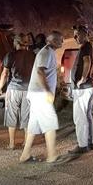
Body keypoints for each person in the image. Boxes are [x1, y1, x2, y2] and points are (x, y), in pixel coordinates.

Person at [19, 30, 63, 164]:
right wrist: (48, 91)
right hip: (40, 94)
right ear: (54, 41)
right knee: (50, 123)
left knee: (33, 125)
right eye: (61, 39)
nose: (62, 42)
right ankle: (52, 155)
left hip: (36, 93)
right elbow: (39, 71)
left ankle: (25, 155)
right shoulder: (47, 52)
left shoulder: (47, 51)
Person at [0, 34, 35, 150]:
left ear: (16, 43)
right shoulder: (33, 55)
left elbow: (5, 73)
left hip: (14, 89)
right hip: (28, 89)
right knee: (26, 116)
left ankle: (12, 144)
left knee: (11, 115)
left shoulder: (11, 55)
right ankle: (26, 143)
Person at [69, 25, 93, 155]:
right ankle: (89, 142)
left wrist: (83, 78)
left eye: (77, 34)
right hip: (90, 87)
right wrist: (91, 74)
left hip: (83, 88)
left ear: (84, 34)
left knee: (80, 117)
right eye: (74, 35)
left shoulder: (86, 47)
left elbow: (87, 61)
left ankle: (82, 145)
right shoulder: (89, 47)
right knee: (87, 116)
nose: (75, 37)